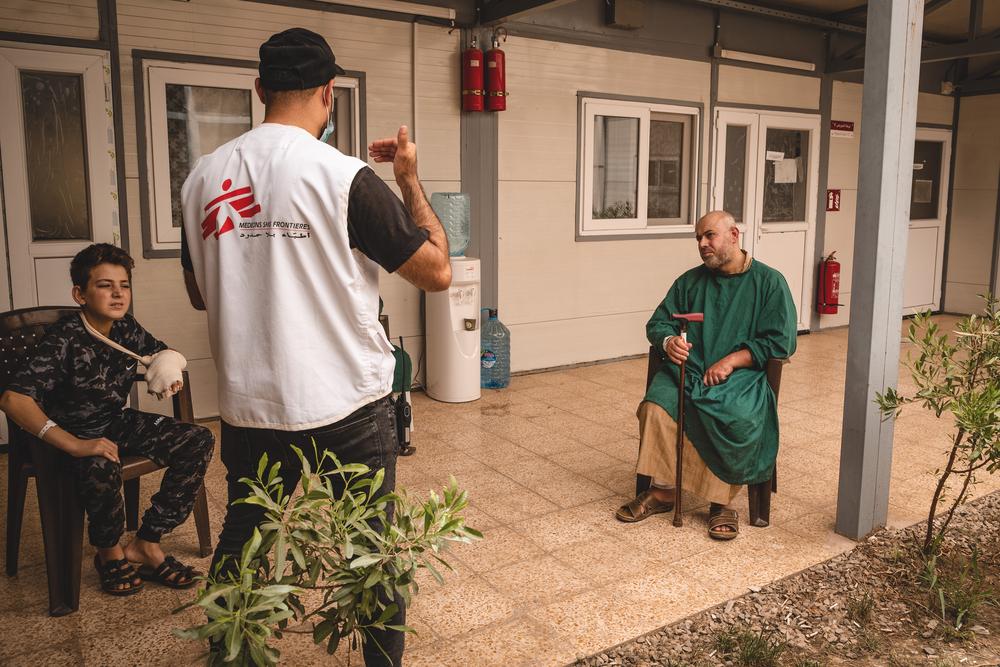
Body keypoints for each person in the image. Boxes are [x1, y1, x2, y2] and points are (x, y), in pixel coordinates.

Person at [179, 27, 450, 667]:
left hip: (249, 406)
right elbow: (437, 270)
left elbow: (198, 293)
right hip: (348, 405)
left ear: (259, 89)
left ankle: (229, 656)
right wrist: (409, 179)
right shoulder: (346, 178)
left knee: (245, 542)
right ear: (329, 93)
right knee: (371, 555)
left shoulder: (200, 179)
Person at [0, 243, 214, 595]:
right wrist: (75, 444)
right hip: (68, 434)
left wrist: (166, 366)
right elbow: (13, 398)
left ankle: (146, 542)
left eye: (124, 285)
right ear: (79, 294)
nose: (117, 293)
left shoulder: (125, 328)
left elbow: (160, 352)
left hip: (113, 421)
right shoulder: (65, 338)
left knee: (198, 439)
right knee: (100, 461)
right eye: (104, 285)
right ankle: (109, 551)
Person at [614, 211, 797, 540]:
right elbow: (658, 323)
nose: (702, 244)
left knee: (734, 416)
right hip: (691, 371)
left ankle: (720, 501)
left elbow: (781, 341)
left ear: (734, 235)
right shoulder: (690, 282)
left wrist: (733, 360)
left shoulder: (769, 282)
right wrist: (669, 341)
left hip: (742, 376)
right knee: (656, 407)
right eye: (699, 238)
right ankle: (664, 491)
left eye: (709, 236)